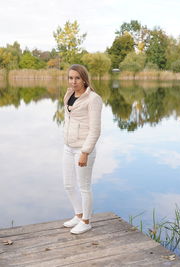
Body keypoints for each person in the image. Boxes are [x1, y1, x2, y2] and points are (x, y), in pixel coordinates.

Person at [62, 64, 102, 234]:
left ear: (84, 79)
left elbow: (95, 130)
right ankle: (78, 215)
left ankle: (86, 221)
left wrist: (85, 152)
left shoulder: (93, 99)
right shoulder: (69, 94)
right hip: (68, 147)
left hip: (83, 149)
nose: (73, 81)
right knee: (69, 185)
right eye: (71, 78)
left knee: (84, 187)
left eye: (77, 78)